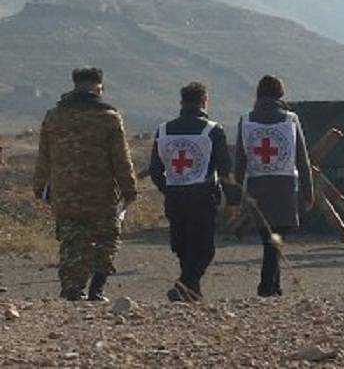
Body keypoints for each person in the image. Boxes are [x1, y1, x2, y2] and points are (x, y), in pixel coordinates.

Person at [33, 68, 137, 301]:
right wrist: (129, 189)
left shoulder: (54, 116)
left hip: (65, 193)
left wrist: (40, 186)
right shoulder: (109, 117)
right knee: (106, 239)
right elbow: (121, 158)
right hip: (101, 194)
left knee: (72, 240)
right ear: (99, 86)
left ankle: (72, 288)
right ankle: (96, 289)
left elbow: (44, 155)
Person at [149, 82, 237, 302]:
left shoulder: (163, 130)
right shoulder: (213, 130)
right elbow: (224, 169)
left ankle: (189, 288)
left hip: (175, 196)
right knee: (204, 247)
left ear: (182, 102)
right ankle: (185, 285)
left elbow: (155, 169)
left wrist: (167, 188)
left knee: (182, 244)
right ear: (204, 101)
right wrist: (233, 200)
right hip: (203, 195)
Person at [233, 75, 314, 297]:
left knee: (268, 238)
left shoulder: (245, 120)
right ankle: (266, 285)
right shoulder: (291, 119)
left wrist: (234, 197)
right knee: (276, 238)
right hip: (285, 187)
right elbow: (302, 159)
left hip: (256, 188)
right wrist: (309, 192)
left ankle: (273, 285)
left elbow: (239, 162)